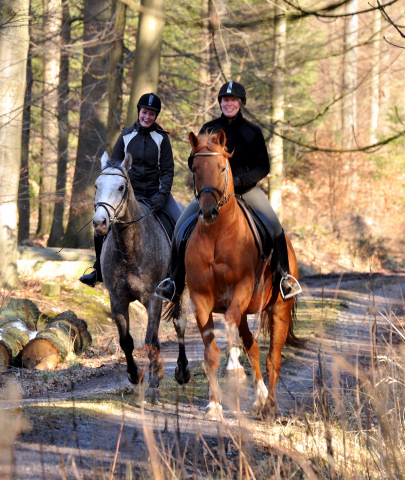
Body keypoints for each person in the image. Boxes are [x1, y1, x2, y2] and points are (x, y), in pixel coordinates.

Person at [155, 81, 301, 301]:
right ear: (220, 103)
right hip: (211, 193)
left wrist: (240, 180)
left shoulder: (253, 132)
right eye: (225, 100)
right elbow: (193, 159)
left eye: (233, 100)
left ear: (240, 103)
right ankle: (174, 281)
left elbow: (263, 167)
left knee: (274, 226)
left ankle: (284, 278)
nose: (228, 104)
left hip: (246, 190)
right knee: (180, 228)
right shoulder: (208, 128)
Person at [80, 92, 182, 287]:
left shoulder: (161, 138)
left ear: (156, 116)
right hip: (128, 196)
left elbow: (168, 170)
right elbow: (114, 165)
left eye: (152, 114)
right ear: (139, 112)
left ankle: (175, 277)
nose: (147, 117)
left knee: (178, 224)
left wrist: (162, 195)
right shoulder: (126, 135)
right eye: (145, 112)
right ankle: (98, 271)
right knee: (99, 228)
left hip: (155, 194)